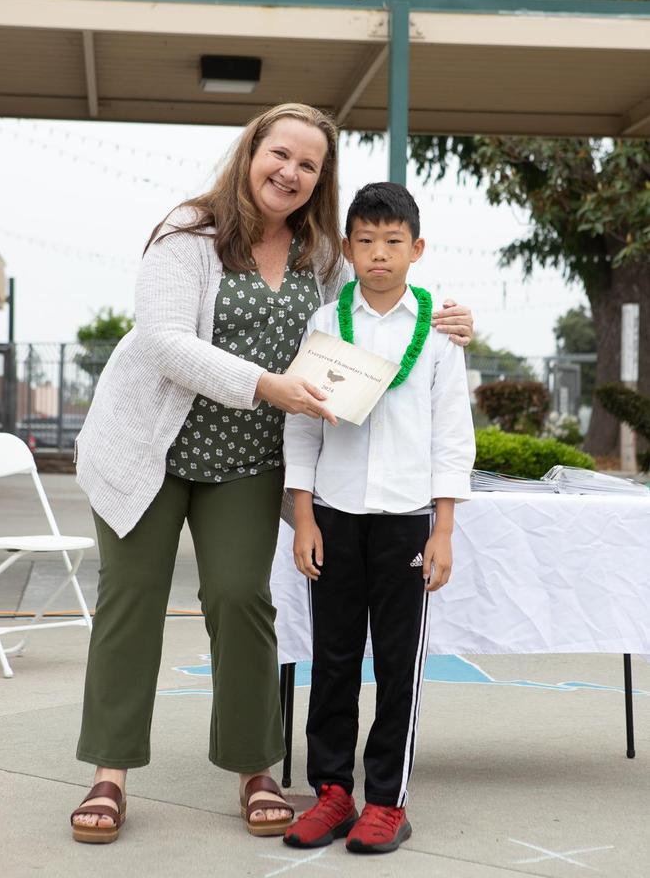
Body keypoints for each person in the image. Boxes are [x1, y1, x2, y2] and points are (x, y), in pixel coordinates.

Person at [69, 106, 474, 844]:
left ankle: (254, 767)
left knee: (241, 598)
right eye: (279, 154)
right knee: (131, 599)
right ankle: (110, 772)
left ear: (320, 180)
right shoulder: (188, 234)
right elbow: (164, 342)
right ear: (251, 152)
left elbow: (372, 311)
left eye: (307, 165)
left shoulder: (322, 255)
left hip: (246, 458)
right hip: (148, 449)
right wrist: (265, 383)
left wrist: (448, 320)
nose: (289, 172)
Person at [282, 182, 476, 855]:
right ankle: (332, 792)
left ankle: (387, 801)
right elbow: (301, 425)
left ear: (416, 249)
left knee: (397, 664)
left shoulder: (438, 333)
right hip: (334, 514)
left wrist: (442, 529)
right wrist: (303, 517)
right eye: (365, 241)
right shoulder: (326, 323)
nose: (379, 254)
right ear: (347, 247)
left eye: (393, 242)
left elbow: (452, 435)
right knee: (332, 659)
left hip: (406, 520)